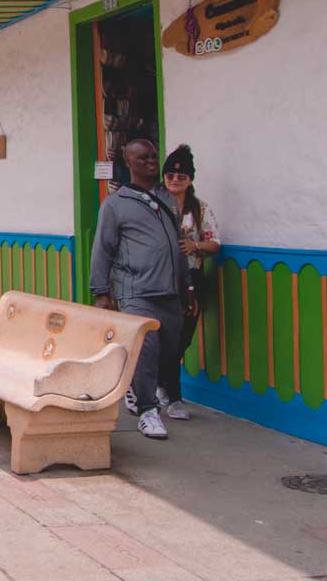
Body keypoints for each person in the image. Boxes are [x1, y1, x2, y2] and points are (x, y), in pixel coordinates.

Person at [89, 139, 192, 440]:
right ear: (128, 162)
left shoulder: (168, 201)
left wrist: (186, 285)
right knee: (146, 349)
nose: (150, 161)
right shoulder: (115, 205)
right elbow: (102, 250)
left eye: (153, 157)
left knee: (170, 351)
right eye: (143, 157)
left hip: (171, 292)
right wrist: (101, 292)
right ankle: (148, 411)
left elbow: (178, 248)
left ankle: (137, 389)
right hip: (137, 292)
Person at [158, 145, 219, 421]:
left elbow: (215, 243)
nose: (175, 179)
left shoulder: (199, 208)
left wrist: (195, 245)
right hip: (160, 279)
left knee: (183, 337)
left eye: (181, 176)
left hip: (191, 281)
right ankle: (173, 397)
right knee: (165, 337)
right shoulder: (153, 204)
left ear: (190, 180)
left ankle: (164, 385)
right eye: (170, 174)